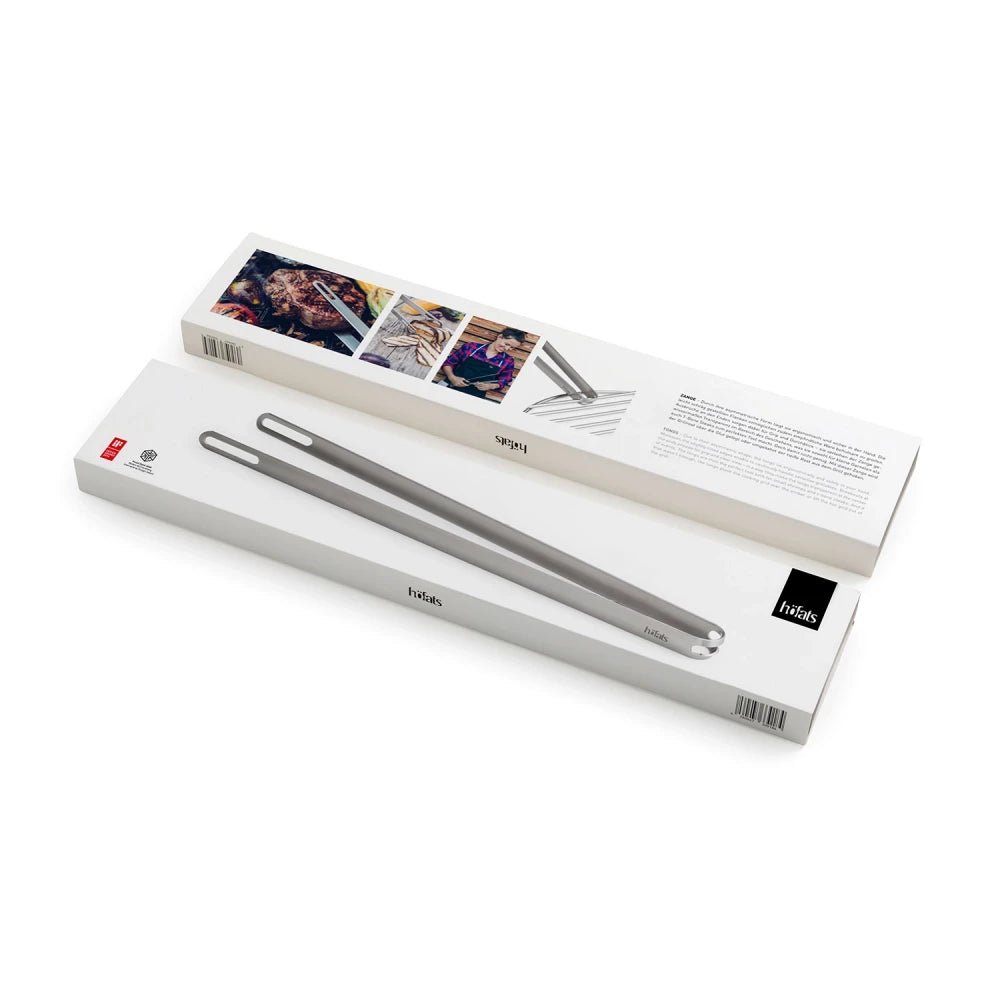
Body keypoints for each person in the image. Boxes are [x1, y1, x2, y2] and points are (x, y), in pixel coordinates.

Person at [440, 328, 526, 400]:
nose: (507, 348)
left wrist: (491, 386)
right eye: (507, 344)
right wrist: (452, 377)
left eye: (511, 347)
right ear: (500, 336)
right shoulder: (471, 347)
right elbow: (448, 363)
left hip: (474, 398)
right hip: (448, 387)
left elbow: (504, 380)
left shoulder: (508, 361)